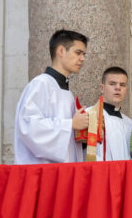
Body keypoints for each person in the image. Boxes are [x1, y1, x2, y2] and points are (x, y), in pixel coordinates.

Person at [14, 29, 90, 164]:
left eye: (83, 54)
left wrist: (84, 134)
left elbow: (67, 141)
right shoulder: (41, 84)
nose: (82, 59)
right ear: (61, 51)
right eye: (78, 53)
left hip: (63, 170)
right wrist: (71, 124)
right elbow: (29, 127)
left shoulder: (67, 93)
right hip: (42, 171)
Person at [94, 66, 132, 161]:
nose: (118, 88)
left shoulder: (131, 125)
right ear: (102, 88)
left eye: (122, 85)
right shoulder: (89, 116)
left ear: (126, 89)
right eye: (112, 84)